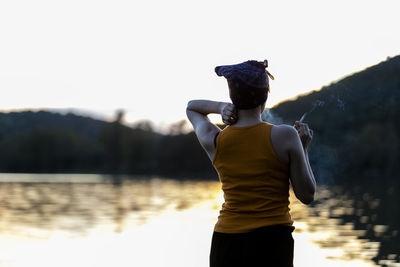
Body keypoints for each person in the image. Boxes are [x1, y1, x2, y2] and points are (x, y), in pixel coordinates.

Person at [186, 59, 316, 267]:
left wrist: (220, 107)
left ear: (232, 97)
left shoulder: (214, 139)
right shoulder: (286, 135)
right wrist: (304, 148)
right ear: (265, 95)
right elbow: (307, 195)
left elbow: (192, 108)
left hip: (226, 242)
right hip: (272, 242)